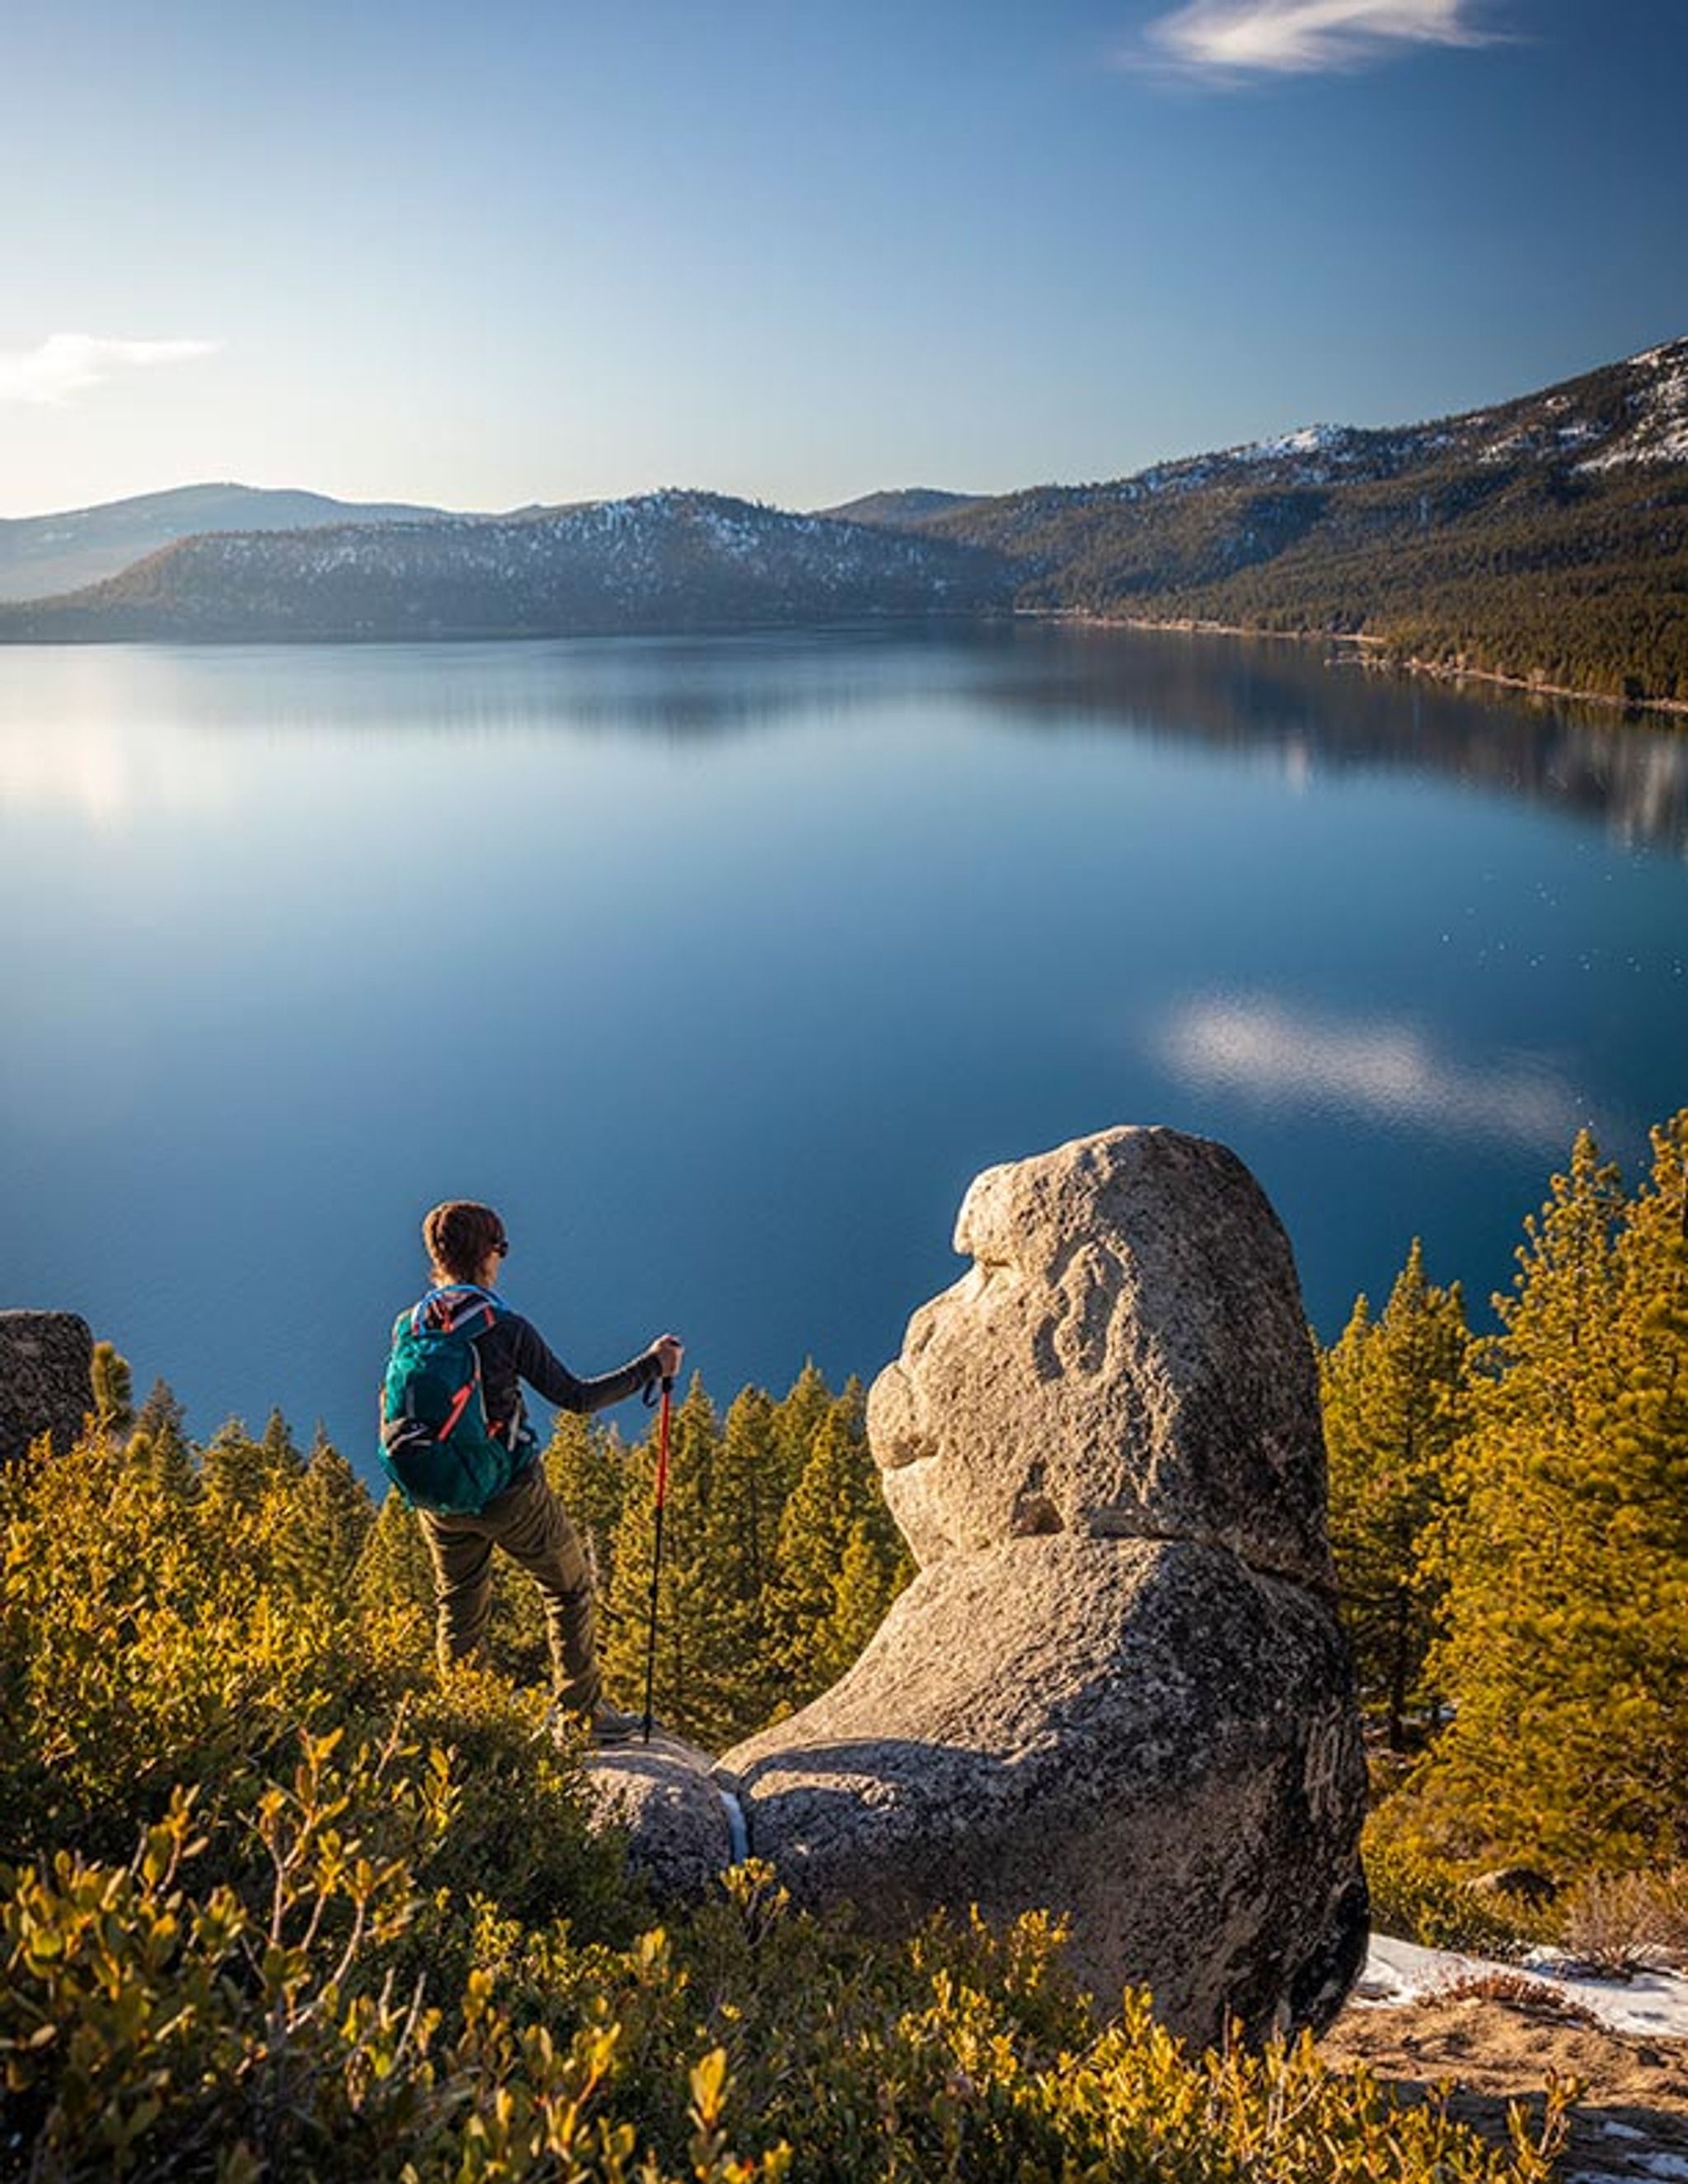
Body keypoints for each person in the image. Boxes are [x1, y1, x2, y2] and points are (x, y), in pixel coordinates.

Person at [400, 1198, 682, 1745]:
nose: (502, 1258)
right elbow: (576, 1398)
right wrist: (654, 1366)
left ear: (437, 1257)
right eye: (501, 1248)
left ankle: (464, 1726)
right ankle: (581, 1717)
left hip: (437, 1494)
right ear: (488, 1253)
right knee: (569, 1587)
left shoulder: (410, 1326)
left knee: (459, 1602)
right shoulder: (504, 1326)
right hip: (509, 1492)